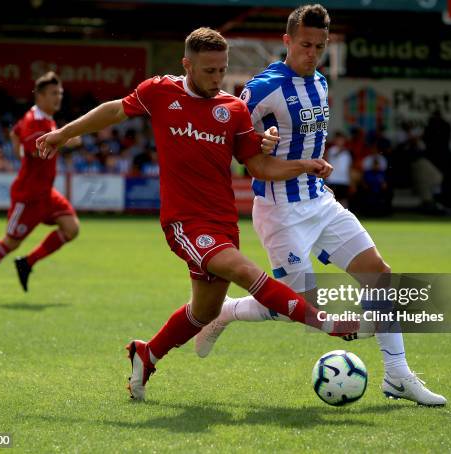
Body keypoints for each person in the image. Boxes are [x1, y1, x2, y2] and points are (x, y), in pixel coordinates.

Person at [35, 27, 358, 401]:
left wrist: (304, 164)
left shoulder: (233, 110)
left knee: (204, 311)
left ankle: (147, 353)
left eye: (222, 70)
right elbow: (113, 110)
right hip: (185, 222)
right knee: (244, 270)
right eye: (209, 70)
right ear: (186, 64)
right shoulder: (159, 91)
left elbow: (260, 167)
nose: (217, 78)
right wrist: (62, 134)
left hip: (222, 221)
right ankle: (323, 321)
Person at [194, 4, 446, 406]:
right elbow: (232, 135)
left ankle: (397, 375)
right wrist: (258, 143)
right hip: (280, 210)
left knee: (379, 274)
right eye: (305, 44)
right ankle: (226, 311)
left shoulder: (322, 84)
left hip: (319, 201)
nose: (312, 53)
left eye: (320, 45)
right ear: (287, 42)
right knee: (296, 305)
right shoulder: (263, 86)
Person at [0, 72, 81, 303]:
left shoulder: (42, 118)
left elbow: (14, 132)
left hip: (46, 193)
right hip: (28, 196)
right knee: (11, 242)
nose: (59, 98)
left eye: (61, 94)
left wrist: (20, 151)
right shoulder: (35, 121)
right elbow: (36, 147)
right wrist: (68, 139)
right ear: (41, 95)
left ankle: (27, 262)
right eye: (54, 94)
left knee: (71, 228)